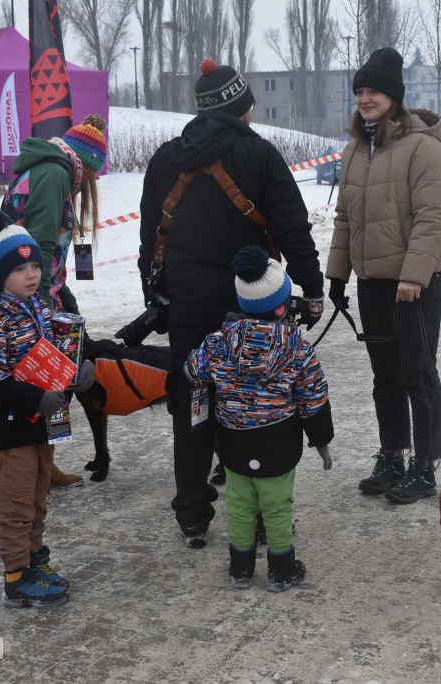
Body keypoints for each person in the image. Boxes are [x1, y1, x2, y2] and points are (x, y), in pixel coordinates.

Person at [137, 58, 325, 548]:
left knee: (193, 402)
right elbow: (292, 227)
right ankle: (261, 514)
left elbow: (149, 237)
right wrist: (312, 287)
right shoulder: (259, 155)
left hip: (189, 306)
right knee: (256, 404)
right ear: (243, 108)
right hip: (255, 305)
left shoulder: (164, 159)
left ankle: (193, 512)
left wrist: (153, 293)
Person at [326, 47, 441, 505]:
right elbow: (344, 219)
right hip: (371, 282)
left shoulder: (423, 146)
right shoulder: (355, 150)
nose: (364, 98)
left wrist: (415, 274)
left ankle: (424, 464)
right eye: (359, 90)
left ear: (393, 97)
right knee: (385, 376)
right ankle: (391, 455)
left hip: (414, 284)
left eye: (373, 90)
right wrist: (338, 277)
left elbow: (432, 218)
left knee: (417, 373)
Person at [0, 210, 96, 608]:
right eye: (20, 268)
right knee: (14, 506)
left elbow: (60, 352)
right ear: (1, 274)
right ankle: (16, 579)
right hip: (9, 428)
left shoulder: (37, 306)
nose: (32, 274)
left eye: (35, 265)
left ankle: (36, 563)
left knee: (36, 501)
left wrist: (81, 370)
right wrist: (35, 399)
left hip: (42, 424)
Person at [184, 245, 334, 591]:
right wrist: (321, 440)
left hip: (234, 441)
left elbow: (192, 370)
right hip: (278, 443)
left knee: (238, 506)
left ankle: (240, 569)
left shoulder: (219, 342)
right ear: (282, 306)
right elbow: (313, 397)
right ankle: (282, 570)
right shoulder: (297, 346)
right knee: (277, 506)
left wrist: (218, 347)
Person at [0, 113, 108, 487]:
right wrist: (44, 306)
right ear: (86, 165)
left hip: (34, 289)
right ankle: (41, 466)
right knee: (48, 383)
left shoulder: (53, 169)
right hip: (30, 295)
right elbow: (41, 243)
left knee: (51, 380)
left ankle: (46, 462)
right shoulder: (55, 174)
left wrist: (64, 295)